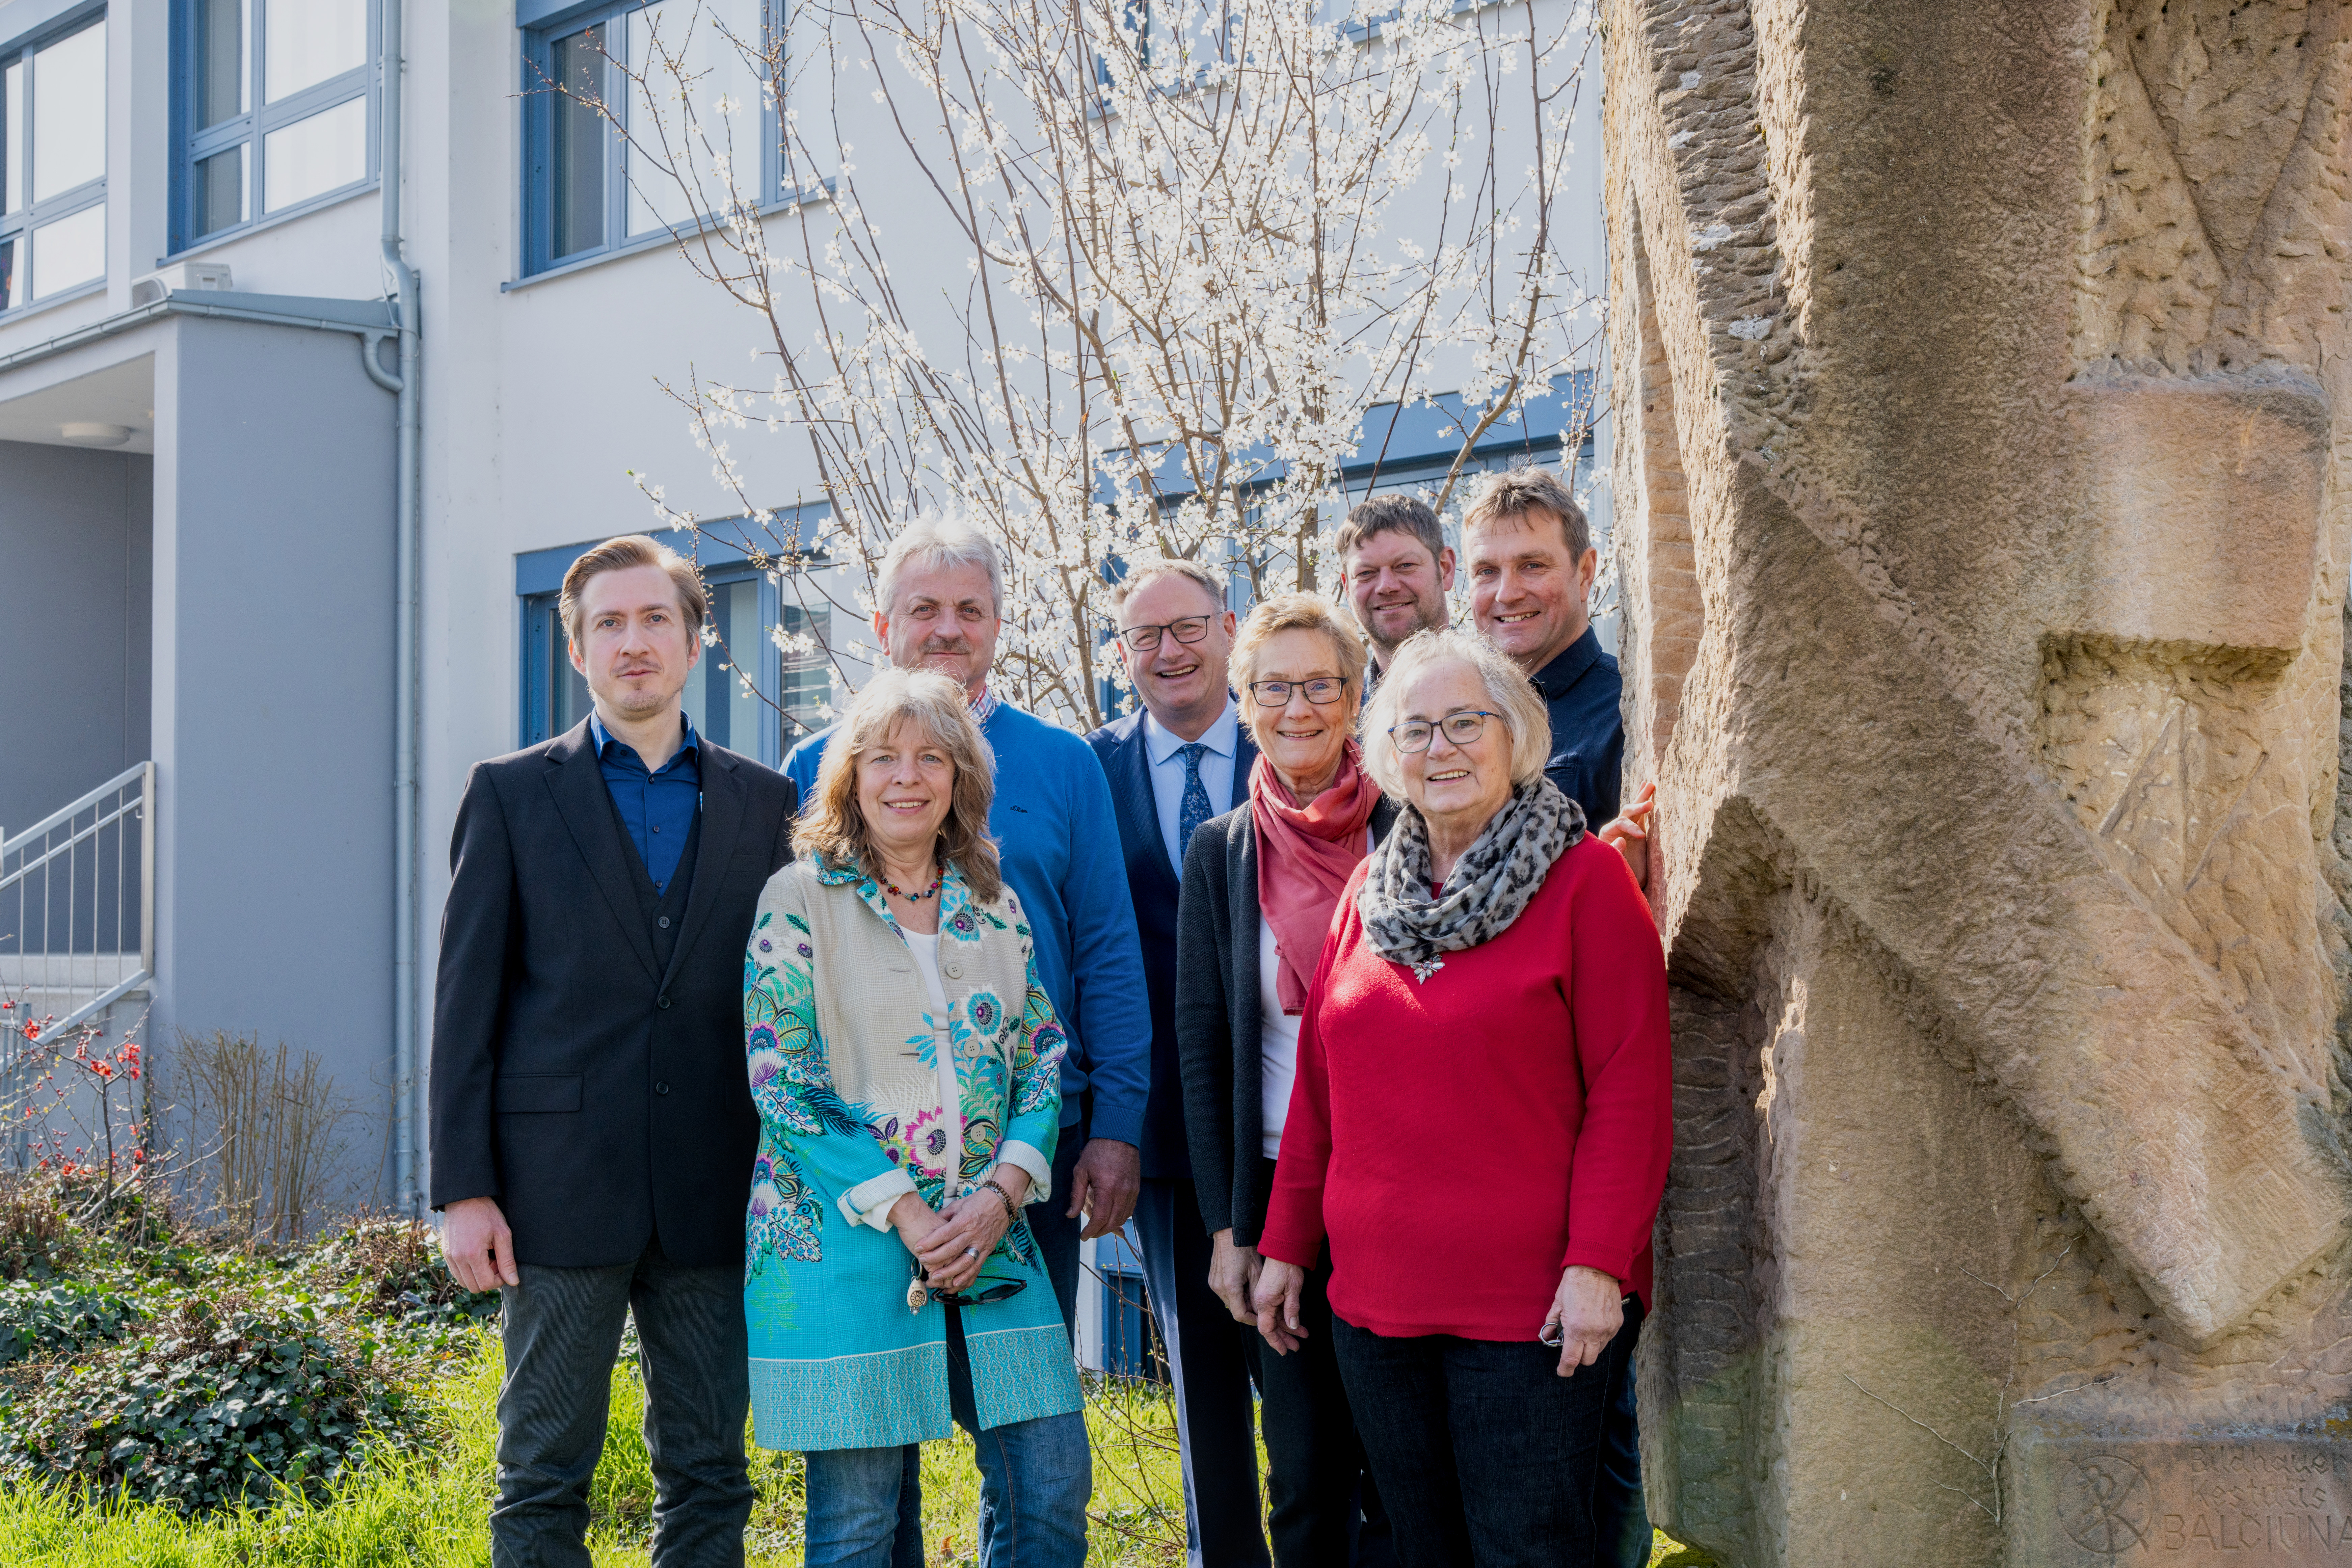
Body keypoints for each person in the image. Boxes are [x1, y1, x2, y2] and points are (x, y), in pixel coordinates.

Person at [1250, 628, 1671, 1568]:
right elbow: (1321, 1092)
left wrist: (1599, 1262)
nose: (1440, 748)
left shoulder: (1584, 882)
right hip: (1375, 1306)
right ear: (1389, 753)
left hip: (1533, 1309)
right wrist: (1286, 1246)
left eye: (1464, 722)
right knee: (1417, 1548)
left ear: (1515, 733)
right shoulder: (1370, 890)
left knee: (1531, 1550)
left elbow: (1631, 1088)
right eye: (1415, 729)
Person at [431, 533, 801, 1567]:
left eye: (654, 622)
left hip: (716, 1185)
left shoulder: (767, 805)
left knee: (712, 1470)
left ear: (694, 643)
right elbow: (466, 1004)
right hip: (554, 1190)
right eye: (609, 625)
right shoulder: (508, 794)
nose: (633, 643)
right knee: (542, 1470)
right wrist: (465, 1188)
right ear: (579, 650)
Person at [785, 516, 1149, 1561]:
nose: (948, 630)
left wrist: (1113, 1123)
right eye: (925, 610)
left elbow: (1109, 955)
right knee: (870, 1476)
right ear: (881, 623)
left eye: (970, 611)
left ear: (998, 623)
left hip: (1023, 1163)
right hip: (867, 1175)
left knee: (1034, 1461)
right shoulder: (818, 763)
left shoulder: (1064, 764)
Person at [746, 668, 1090, 1568]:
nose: (908, 775)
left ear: (959, 779)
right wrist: (909, 1211)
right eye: (884, 756)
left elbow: (1043, 1052)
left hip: (990, 1238)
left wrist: (1000, 1195)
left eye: (930, 756)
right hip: (850, 1242)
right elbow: (782, 1071)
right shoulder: (800, 894)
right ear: (850, 777)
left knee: (1049, 1482)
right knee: (859, 1526)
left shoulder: (996, 904)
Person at [1175, 593, 1399, 1568]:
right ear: (1245, 699)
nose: (1297, 707)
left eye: (1321, 685)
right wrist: (1230, 1229)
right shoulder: (1221, 851)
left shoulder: (1410, 825)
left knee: (1401, 1468)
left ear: (1358, 698)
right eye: (1275, 687)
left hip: (1400, 1190)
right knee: (1303, 1469)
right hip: (1276, 1194)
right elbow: (1201, 1042)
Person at [1460, 466, 1655, 1563]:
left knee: (1597, 1424)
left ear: (1584, 571)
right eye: (1485, 569)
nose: (1507, 590)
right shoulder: (1467, 714)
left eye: (1531, 565)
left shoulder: (1619, 711)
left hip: (1584, 1115)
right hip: (1492, 1126)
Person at [1084, 558, 1267, 1567]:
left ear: (1230, 627)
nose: (1170, 651)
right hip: (1161, 1128)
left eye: (1189, 627)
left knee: (1312, 1367)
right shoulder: (1091, 769)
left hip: (1295, 1118)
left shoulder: (1291, 745)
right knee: (1198, 1373)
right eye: (1146, 636)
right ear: (1122, 655)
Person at [1336, 495, 1454, 689]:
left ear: (1446, 569)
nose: (1386, 586)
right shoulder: (1340, 712)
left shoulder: (1503, 690)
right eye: (1366, 573)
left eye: (1405, 565)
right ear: (1347, 588)